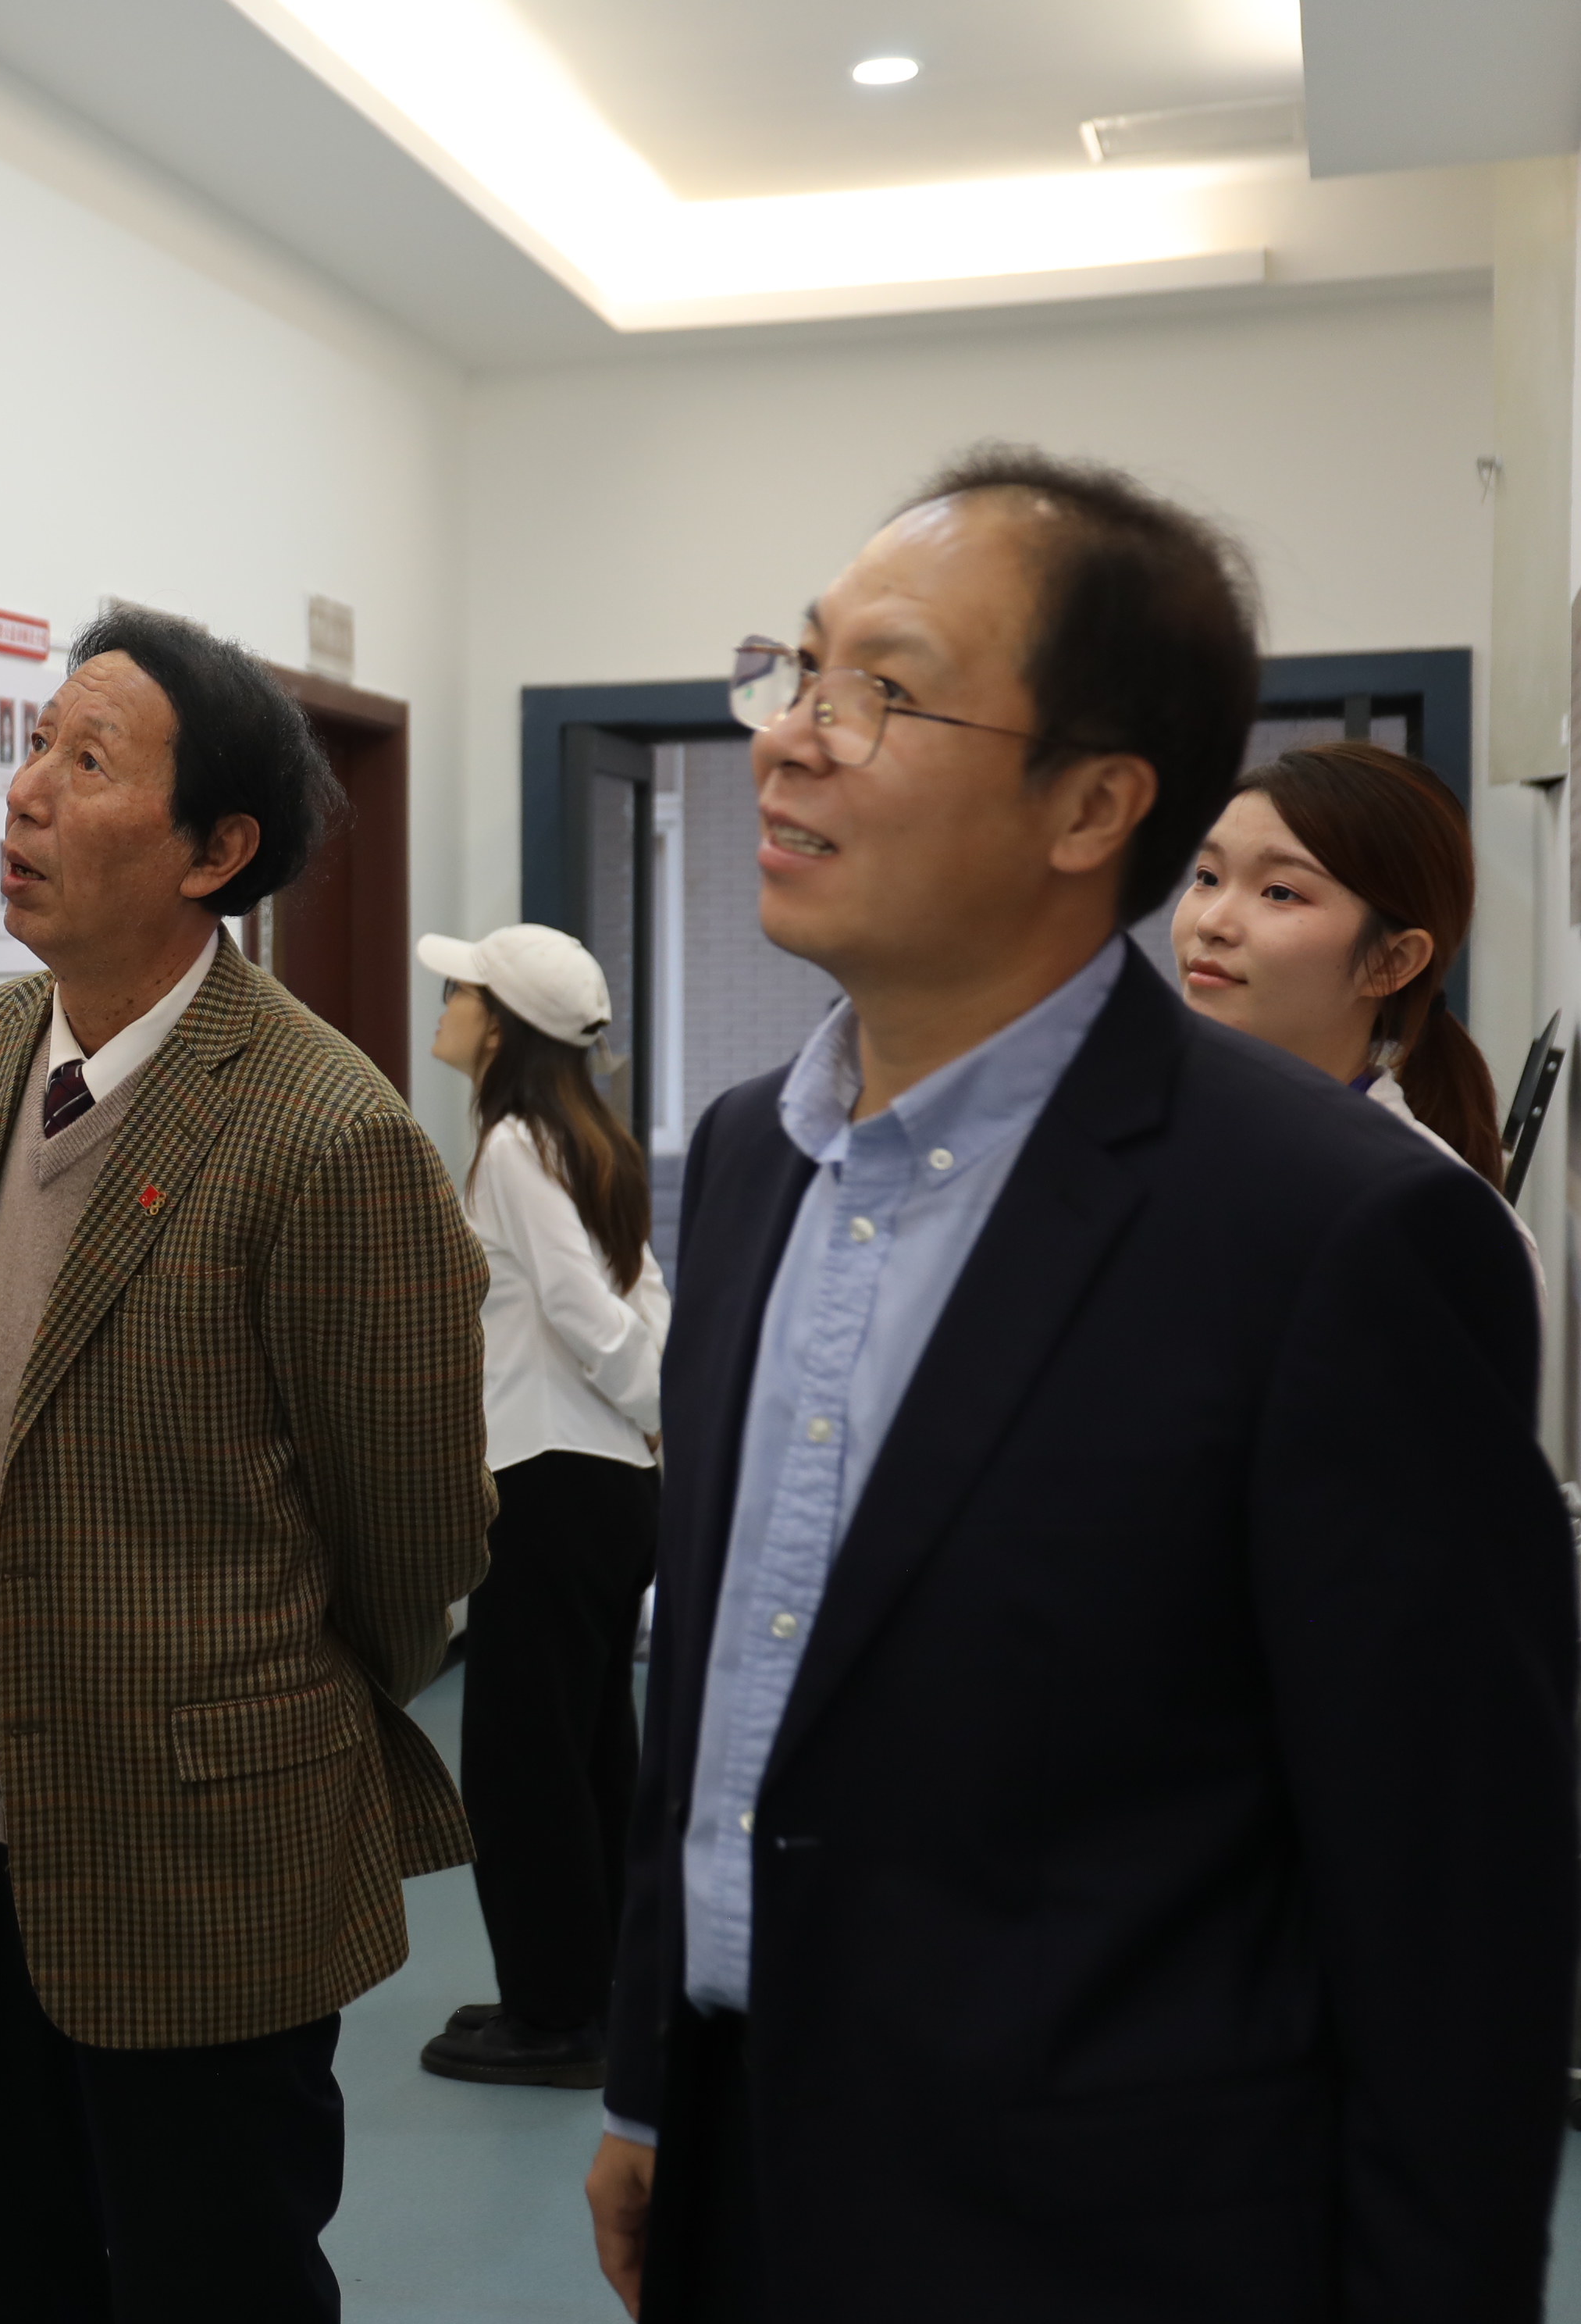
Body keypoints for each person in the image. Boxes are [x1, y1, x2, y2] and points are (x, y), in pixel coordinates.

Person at [586, 447, 1572, 2322]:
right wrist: (647, 2077)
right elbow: (718, 1687)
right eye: (797, 667)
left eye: (882, 692)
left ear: (1094, 803)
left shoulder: (1335, 1235)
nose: (787, 738)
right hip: (739, 2153)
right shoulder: (756, 1156)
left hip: (1104, 2237)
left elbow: (1451, 1905)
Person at [0, 604, 488, 2319]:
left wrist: (246, 1704)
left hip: (200, 1838)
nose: (24, 790)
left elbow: (412, 1546)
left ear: (215, 853)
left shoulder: (327, 1136)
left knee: (213, 2272)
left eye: (88, 760)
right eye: (34, 744)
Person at [410, 924, 669, 2095]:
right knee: (591, 1750)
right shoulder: (585, 1136)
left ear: (502, 1026)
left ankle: (554, 2015)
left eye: (462, 989)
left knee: (523, 1764)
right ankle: (591, 1989)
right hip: (609, 1488)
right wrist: (658, 1417)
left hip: (551, 1484)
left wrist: (654, 1403)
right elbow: (646, 1294)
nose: (447, 1003)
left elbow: (581, 1309)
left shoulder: (516, 1144)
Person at [1170, 738, 1526, 1204]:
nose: (1210, 923)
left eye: (1280, 892)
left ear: (1390, 963)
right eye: (1207, 877)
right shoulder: (1152, 1137)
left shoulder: (1424, 1217)